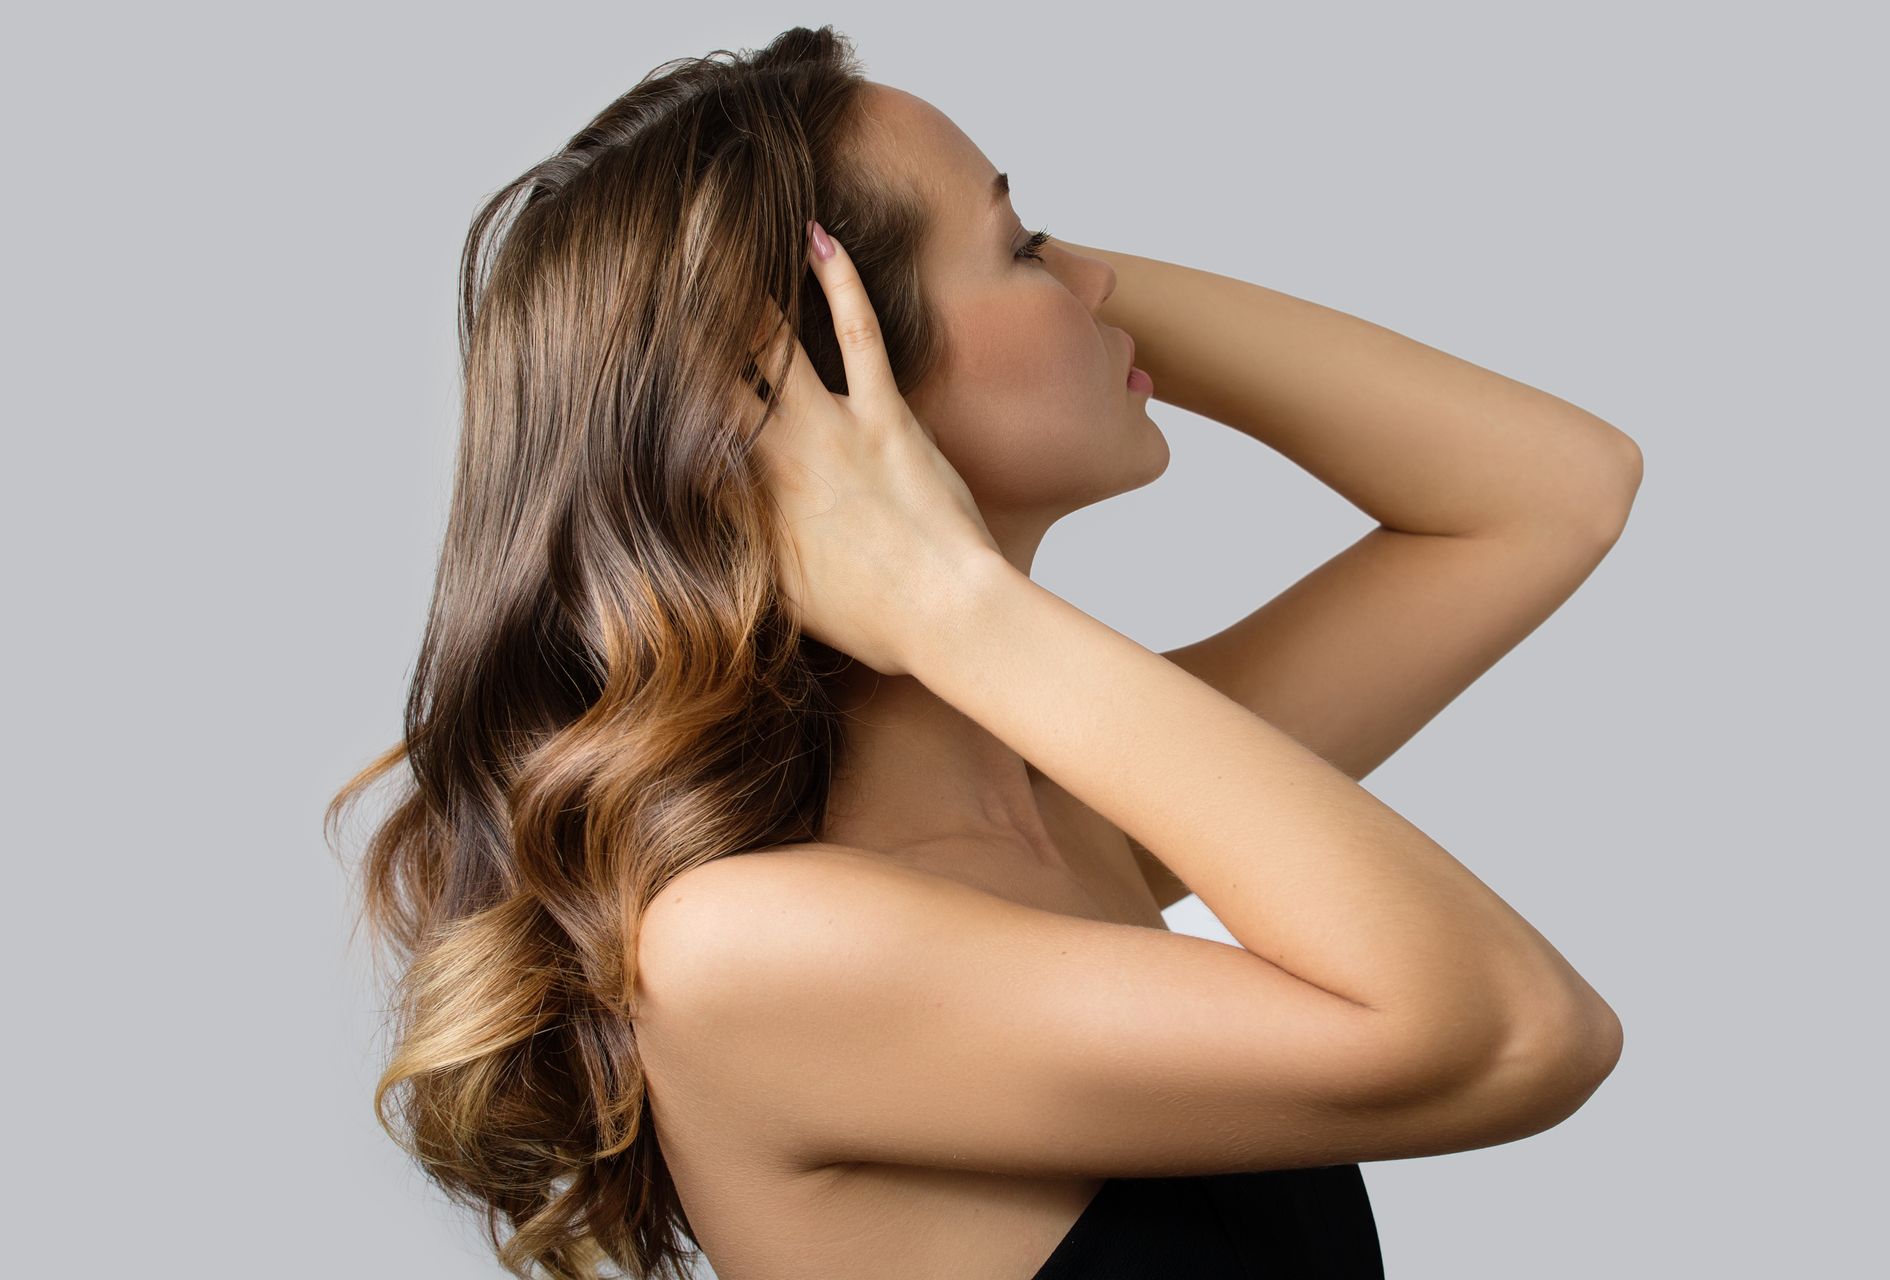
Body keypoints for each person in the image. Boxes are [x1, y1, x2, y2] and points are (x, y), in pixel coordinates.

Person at [328, 24, 1640, 1280]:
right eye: (1023, 246)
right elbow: (1520, 1036)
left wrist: (980, 283)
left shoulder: (1059, 812)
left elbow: (1551, 489)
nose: (1101, 279)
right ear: (843, 389)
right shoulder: (743, 949)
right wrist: (958, 608)